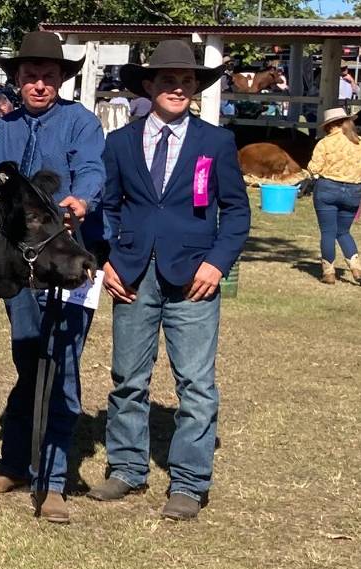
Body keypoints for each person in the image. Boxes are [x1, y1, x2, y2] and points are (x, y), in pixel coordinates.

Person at [88, 40, 251, 520]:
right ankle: (127, 468)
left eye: (186, 81)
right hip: (133, 276)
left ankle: (188, 481)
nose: (177, 88)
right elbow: (106, 210)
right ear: (149, 86)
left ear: (195, 88)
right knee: (127, 380)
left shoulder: (215, 142)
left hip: (194, 277)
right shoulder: (118, 143)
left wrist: (217, 263)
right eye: (167, 80)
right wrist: (108, 260)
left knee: (197, 383)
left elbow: (237, 213)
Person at [0, 31, 106, 526]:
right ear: (19, 80)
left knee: (61, 369)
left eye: (48, 76)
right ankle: (15, 464)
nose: (40, 84)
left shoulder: (81, 122)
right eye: (31, 76)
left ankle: (53, 481)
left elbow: (91, 171)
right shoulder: (5, 127)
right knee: (28, 360)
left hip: (68, 262)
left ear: (61, 80)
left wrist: (82, 199)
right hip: (23, 268)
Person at [307, 107, 361, 285]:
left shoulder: (325, 143)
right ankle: (356, 268)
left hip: (328, 188)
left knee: (328, 232)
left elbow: (314, 168)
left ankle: (328, 272)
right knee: (343, 231)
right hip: (353, 191)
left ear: (330, 125)